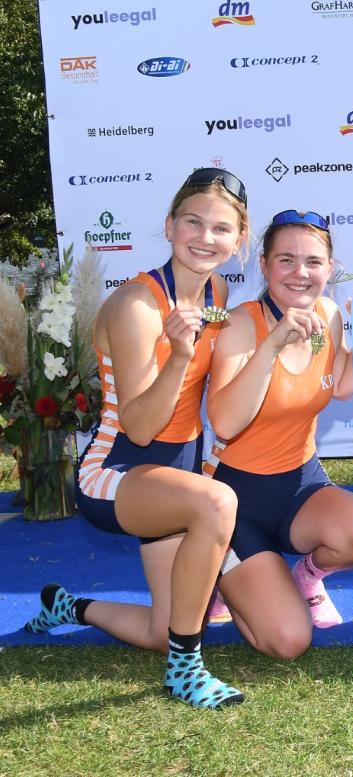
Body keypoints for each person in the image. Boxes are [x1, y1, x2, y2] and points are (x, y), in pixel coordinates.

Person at [23, 168, 249, 709]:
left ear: (239, 240)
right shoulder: (136, 306)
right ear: (169, 226)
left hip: (174, 475)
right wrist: (180, 355)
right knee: (217, 504)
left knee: (161, 629)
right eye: (193, 222)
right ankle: (185, 672)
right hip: (116, 471)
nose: (205, 238)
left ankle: (68, 607)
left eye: (221, 228)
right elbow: (141, 428)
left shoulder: (216, 290)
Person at [203, 209, 353, 659]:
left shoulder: (327, 315)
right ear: (264, 266)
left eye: (313, 262)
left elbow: (340, 385)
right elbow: (225, 422)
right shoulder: (240, 325)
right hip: (235, 502)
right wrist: (271, 345)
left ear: (329, 269)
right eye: (286, 260)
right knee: (288, 641)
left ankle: (305, 578)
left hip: (300, 487)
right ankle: (222, 576)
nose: (300, 272)